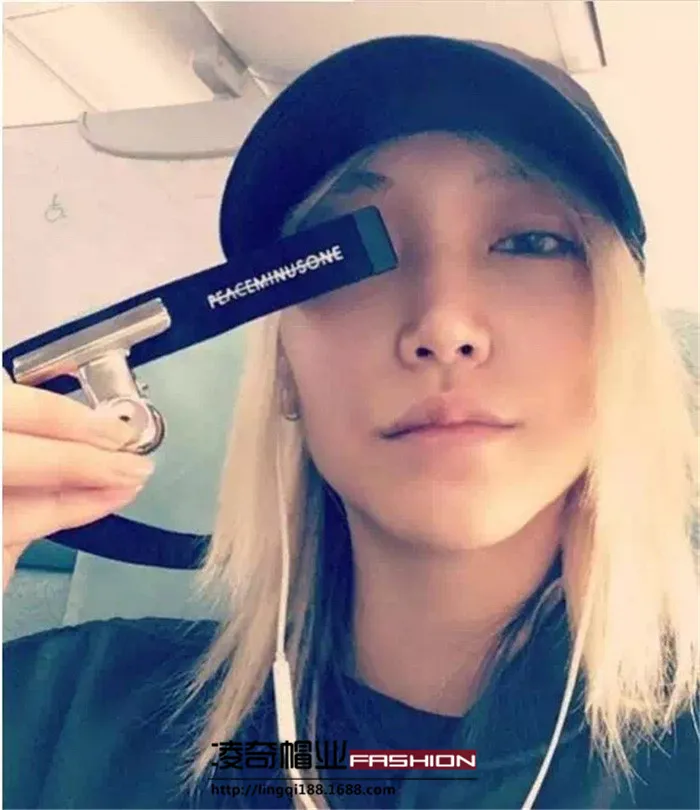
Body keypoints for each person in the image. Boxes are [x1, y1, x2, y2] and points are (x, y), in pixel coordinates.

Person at [3, 35, 699, 810]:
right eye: (352, 253)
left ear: (621, 340)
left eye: (531, 242)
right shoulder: (55, 722)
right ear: (286, 366)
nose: (444, 325)